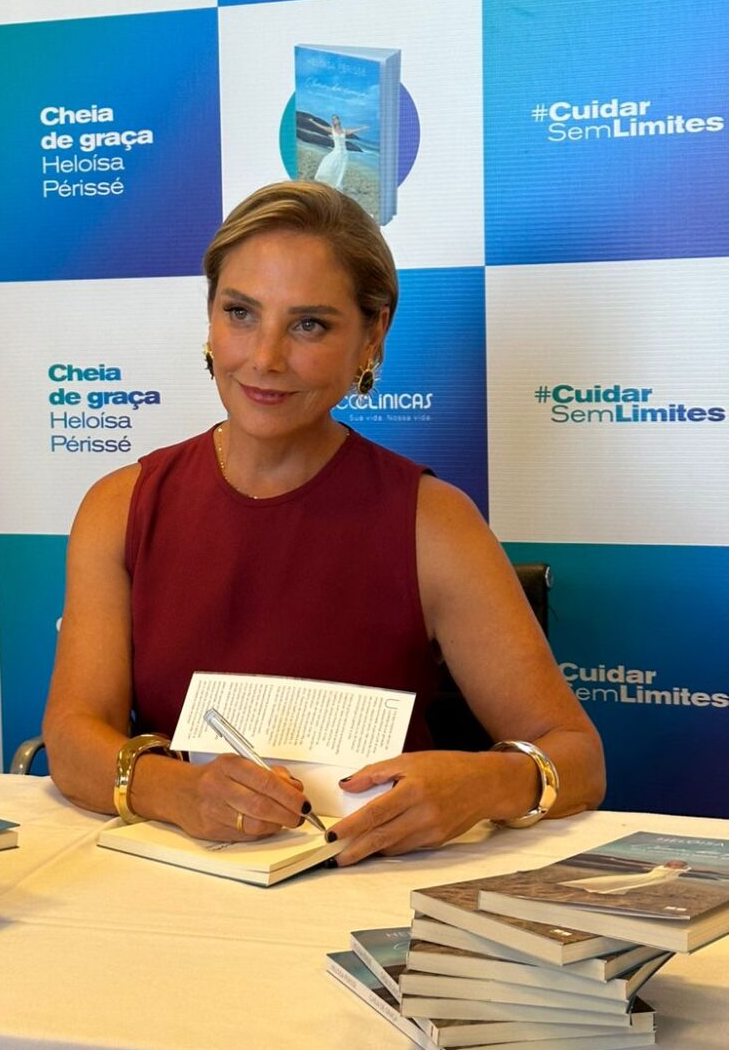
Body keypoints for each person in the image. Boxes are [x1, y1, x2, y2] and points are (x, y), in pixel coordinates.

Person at [42, 181, 605, 865]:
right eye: (240, 313)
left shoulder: (433, 521)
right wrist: (181, 792)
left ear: (372, 336)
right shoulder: (121, 506)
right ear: (210, 318)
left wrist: (483, 784)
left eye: (309, 324)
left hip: (378, 885)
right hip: (177, 880)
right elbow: (73, 738)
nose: (265, 358)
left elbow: (578, 758)